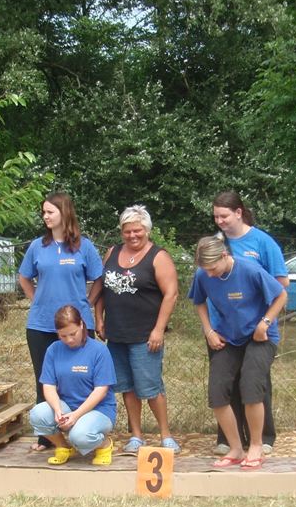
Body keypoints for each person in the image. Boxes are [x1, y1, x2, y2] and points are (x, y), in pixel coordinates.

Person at [189, 236, 287, 470]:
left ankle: (256, 445)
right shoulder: (203, 274)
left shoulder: (249, 270)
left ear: (225, 256)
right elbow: (199, 301)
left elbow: (281, 295)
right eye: (206, 270)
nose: (210, 274)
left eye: (213, 269)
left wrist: (265, 323)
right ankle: (235, 449)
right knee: (217, 392)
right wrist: (209, 330)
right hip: (228, 337)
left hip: (260, 337)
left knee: (251, 386)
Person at [18, 191, 104, 452]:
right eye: (43, 212)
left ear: (64, 213)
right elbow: (24, 277)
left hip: (78, 325)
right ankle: (48, 438)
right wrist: (37, 299)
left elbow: (99, 279)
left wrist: (87, 302)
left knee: (80, 378)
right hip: (41, 325)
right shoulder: (37, 246)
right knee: (45, 381)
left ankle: (83, 431)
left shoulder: (84, 247)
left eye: (50, 212)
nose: (45, 216)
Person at [95, 205, 180, 454]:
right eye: (127, 231)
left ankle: (165, 435)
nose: (132, 235)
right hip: (116, 333)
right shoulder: (112, 252)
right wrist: (99, 318)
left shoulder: (158, 256)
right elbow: (102, 288)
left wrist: (159, 329)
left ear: (147, 230)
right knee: (127, 387)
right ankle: (136, 435)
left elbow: (171, 294)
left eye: (137, 231)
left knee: (151, 387)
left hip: (145, 335)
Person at [210, 190, 290, 456]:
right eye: (216, 217)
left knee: (254, 381)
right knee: (225, 382)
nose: (219, 221)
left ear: (239, 212)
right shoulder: (216, 243)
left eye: (224, 216)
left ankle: (263, 437)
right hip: (223, 327)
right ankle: (229, 439)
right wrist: (209, 328)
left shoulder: (263, 242)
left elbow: (281, 283)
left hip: (257, 326)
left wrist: (264, 319)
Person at [28, 305, 117, 466]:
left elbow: (101, 390)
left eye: (73, 334)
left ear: (81, 325)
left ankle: (104, 445)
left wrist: (76, 415)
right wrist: (57, 410)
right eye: (63, 336)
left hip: (99, 410)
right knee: (37, 414)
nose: (69, 339)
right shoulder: (53, 350)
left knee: (79, 436)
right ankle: (63, 447)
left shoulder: (99, 350)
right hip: (67, 407)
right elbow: (48, 385)